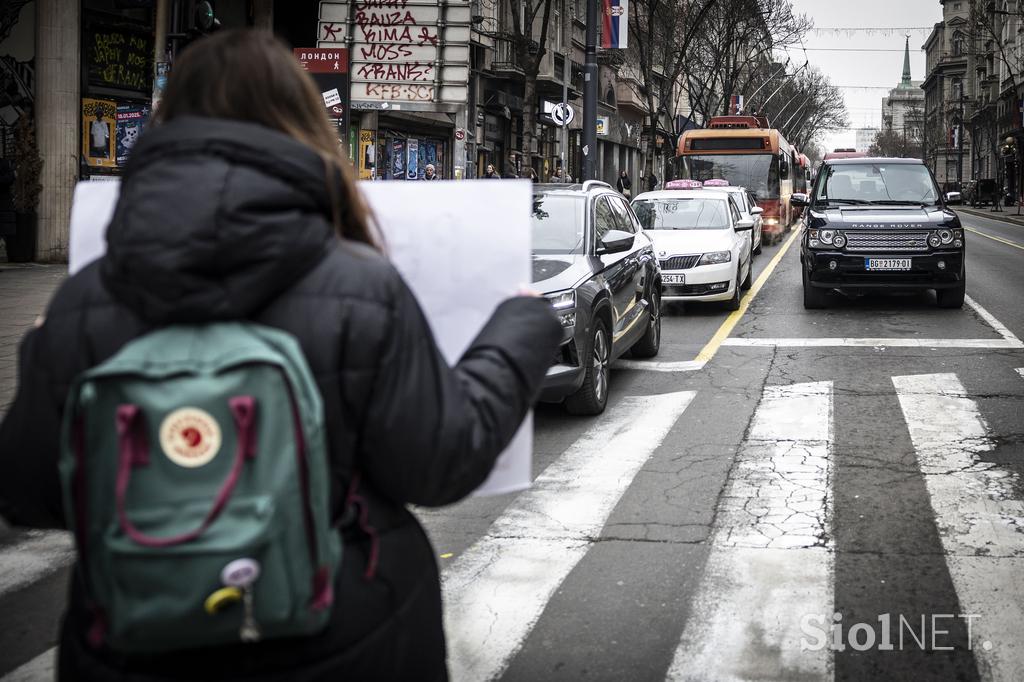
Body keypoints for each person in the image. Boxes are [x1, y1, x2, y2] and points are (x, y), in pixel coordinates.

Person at [0, 29, 562, 682]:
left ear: (168, 123)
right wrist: (519, 329)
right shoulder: (361, 286)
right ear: (300, 123)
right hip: (347, 638)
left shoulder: (84, 302)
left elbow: (28, 492)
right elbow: (440, 463)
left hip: (134, 643)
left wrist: (42, 348)